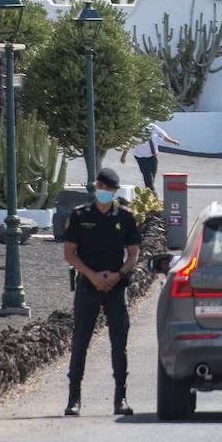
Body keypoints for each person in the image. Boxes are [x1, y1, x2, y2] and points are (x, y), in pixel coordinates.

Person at [62, 167, 140, 416]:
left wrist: (117, 275)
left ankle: (121, 398)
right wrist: (92, 276)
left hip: (115, 287)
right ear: (95, 187)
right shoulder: (80, 215)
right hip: (88, 285)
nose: (103, 192)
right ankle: (74, 399)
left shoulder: (125, 217)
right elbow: (69, 253)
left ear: (114, 192)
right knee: (80, 342)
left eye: (108, 189)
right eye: (100, 187)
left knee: (119, 343)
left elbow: (133, 254)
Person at [131, 121, 179, 193]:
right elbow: (128, 143)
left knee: (152, 179)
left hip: (153, 157)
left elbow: (163, 135)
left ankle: (148, 197)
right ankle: (154, 198)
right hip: (141, 158)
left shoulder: (152, 127)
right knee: (148, 179)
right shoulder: (135, 129)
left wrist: (172, 141)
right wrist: (123, 155)